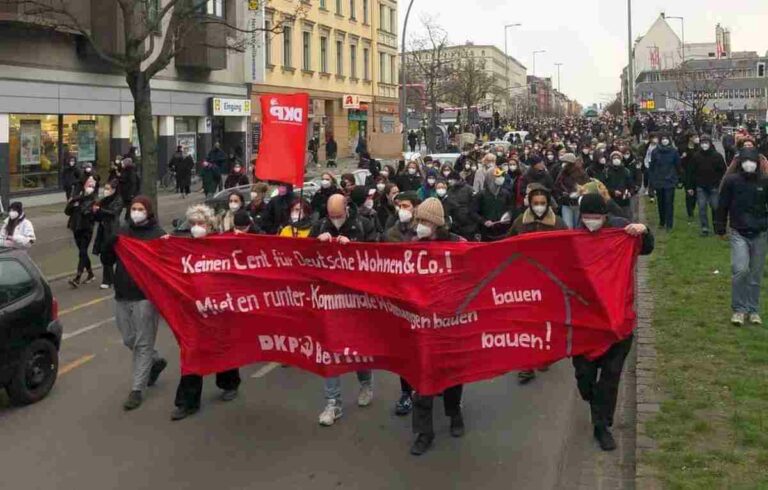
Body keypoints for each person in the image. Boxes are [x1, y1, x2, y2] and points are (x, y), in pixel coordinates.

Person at [572, 193, 655, 451]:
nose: (591, 222)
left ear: (605, 215)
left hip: (617, 319)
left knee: (610, 376)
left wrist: (644, 230)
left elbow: (647, 248)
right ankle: (593, 399)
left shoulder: (621, 231)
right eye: (587, 218)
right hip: (585, 321)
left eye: (596, 217)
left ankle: (601, 425)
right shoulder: (574, 239)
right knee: (585, 376)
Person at [310, 194, 375, 426]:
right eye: (331, 216)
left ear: (347, 209)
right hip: (328, 298)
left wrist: (356, 247)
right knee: (330, 350)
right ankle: (332, 403)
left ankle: (366, 383)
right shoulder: (320, 225)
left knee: (357, 347)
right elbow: (303, 256)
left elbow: (380, 255)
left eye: (338, 215)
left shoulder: (364, 224)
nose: (335, 219)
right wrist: (316, 241)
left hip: (356, 299)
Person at [172, 204, 241, 420]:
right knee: (192, 353)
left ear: (210, 225)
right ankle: (187, 402)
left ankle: (229, 382)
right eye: (192, 224)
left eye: (201, 223)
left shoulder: (221, 246)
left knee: (222, 347)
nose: (196, 228)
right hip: (192, 311)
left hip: (219, 309)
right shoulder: (182, 247)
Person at [409, 197, 464, 456]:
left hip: (451, 320)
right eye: (418, 219)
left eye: (424, 221)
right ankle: (424, 432)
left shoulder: (458, 245)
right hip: (422, 322)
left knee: (453, 374)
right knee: (422, 376)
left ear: (437, 224)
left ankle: (454, 413)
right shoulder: (412, 248)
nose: (420, 225)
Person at [103, 195, 168, 411]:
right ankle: (155, 361)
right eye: (133, 208)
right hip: (122, 294)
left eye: (140, 208)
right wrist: (109, 244)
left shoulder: (158, 235)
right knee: (129, 338)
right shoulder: (123, 231)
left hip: (145, 298)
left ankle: (137, 389)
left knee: (142, 343)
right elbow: (108, 261)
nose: (136, 212)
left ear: (148, 211)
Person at [508, 185, 567, 383]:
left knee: (546, 322)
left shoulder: (558, 224)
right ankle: (526, 365)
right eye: (536, 203)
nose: (539, 207)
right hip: (524, 280)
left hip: (548, 281)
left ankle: (544, 355)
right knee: (525, 323)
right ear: (530, 204)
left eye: (543, 203)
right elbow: (507, 245)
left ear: (548, 204)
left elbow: (568, 250)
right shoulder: (520, 222)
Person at [715, 148, 768, 327]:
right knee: (740, 270)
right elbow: (722, 205)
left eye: (752, 161)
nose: (749, 164)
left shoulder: (765, 181)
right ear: (740, 163)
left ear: (757, 163)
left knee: (755, 274)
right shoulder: (732, 181)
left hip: (760, 232)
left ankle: (753, 310)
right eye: (745, 161)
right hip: (739, 231)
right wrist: (720, 227)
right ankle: (738, 309)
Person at [690, 135, 727, 236]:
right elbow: (691, 172)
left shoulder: (717, 156)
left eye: (706, 143)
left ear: (710, 144)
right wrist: (691, 186)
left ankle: (717, 227)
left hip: (714, 186)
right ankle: (704, 227)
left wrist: (720, 182)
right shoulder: (696, 156)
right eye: (702, 143)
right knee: (702, 207)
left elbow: (723, 171)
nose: (704, 145)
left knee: (715, 207)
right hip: (701, 186)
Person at [65, 178, 97, 288]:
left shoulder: (93, 199)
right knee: (82, 252)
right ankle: (91, 274)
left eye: (92, 186)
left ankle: (77, 277)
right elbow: (67, 211)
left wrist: (78, 203)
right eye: (89, 185)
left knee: (82, 252)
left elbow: (86, 211)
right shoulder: (78, 197)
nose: (90, 188)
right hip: (76, 227)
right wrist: (73, 202)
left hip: (86, 229)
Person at [92, 180, 123, 289]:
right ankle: (109, 279)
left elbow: (114, 213)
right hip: (103, 229)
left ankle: (109, 279)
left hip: (112, 230)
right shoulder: (103, 200)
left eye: (108, 189)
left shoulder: (118, 200)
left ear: (114, 190)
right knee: (105, 255)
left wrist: (101, 210)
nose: (105, 191)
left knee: (109, 255)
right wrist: (95, 211)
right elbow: (98, 216)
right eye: (105, 188)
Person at [648, 134, 682, 231]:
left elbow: (678, 166)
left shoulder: (674, 152)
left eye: (666, 138)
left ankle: (669, 224)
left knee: (669, 202)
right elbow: (652, 167)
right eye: (663, 139)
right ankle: (662, 221)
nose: (664, 140)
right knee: (661, 202)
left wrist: (678, 179)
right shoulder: (655, 152)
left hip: (670, 180)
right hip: (659, 180)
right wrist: (652, 179)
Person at [478, 168, 516, 241]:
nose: (501, 178)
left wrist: (509, 214)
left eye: (502, 176)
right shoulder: (481, 195)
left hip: (503, 231)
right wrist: (483, 221)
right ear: (490, 178)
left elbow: (511, 207)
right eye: (498, 176)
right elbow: (473, 212)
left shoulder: (506, 193)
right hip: (486, 232)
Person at [603, 151, 636, 219]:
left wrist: (630, 193)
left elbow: (631, 185)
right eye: (614, 158)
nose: (616, 159)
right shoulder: (606, 172)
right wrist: (613, 192)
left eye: (618, 158)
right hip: (611, 202)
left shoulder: (626, 171)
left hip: (624, 202)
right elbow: (604, 187)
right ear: (611, 160)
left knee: (626, 221)